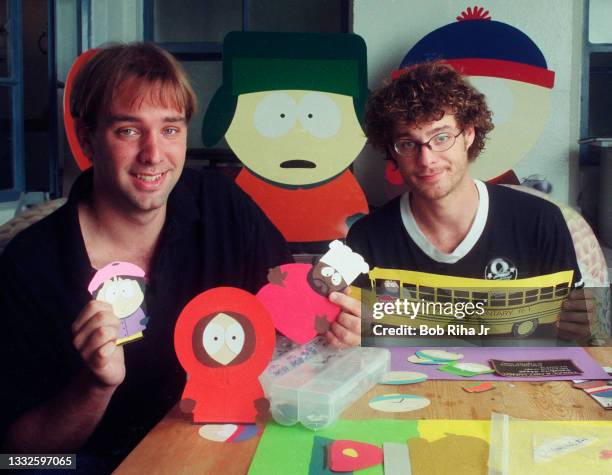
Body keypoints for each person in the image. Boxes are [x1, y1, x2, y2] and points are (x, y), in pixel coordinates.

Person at [0, 42, 361, 470]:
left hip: (226, 443)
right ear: (87, 139)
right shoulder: (29, 265)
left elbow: (289, 321)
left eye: (170, 129)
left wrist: (332, 330)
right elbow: (19, 457)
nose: (154, 154)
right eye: (128, 130)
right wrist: (95, 385)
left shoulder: (221, 205)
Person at [347, 61, 592, 342]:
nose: (427, 159)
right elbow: (359, 341)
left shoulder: (541, 220)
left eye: (441, 137)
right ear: (392, 151)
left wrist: (593, 325)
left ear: (469, 134)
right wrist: (346, 334)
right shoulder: (367, 237)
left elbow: (581, 333)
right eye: (408, 144)